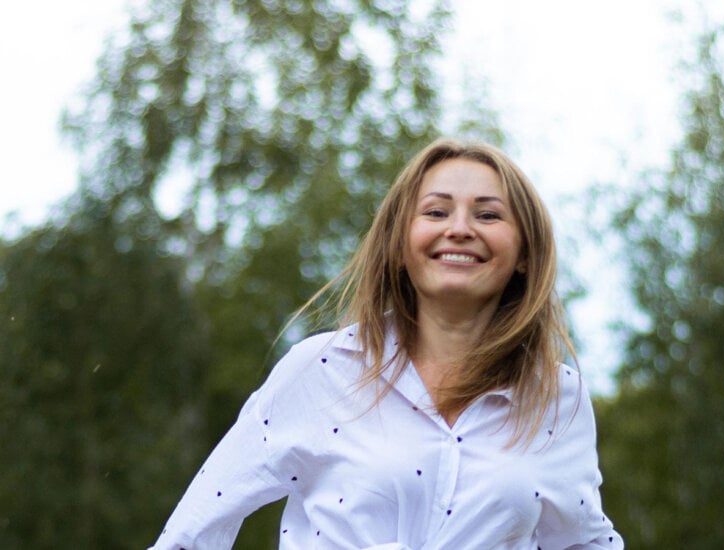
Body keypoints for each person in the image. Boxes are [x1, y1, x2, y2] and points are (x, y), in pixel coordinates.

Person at [149, 138, 624, 549]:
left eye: (488, 214)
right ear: (400, 246)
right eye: (436, 211)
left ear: (524, 253)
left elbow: (585, 541)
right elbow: (190, 535)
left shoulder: (557, 400)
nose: (459, 228)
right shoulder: (319, 369)